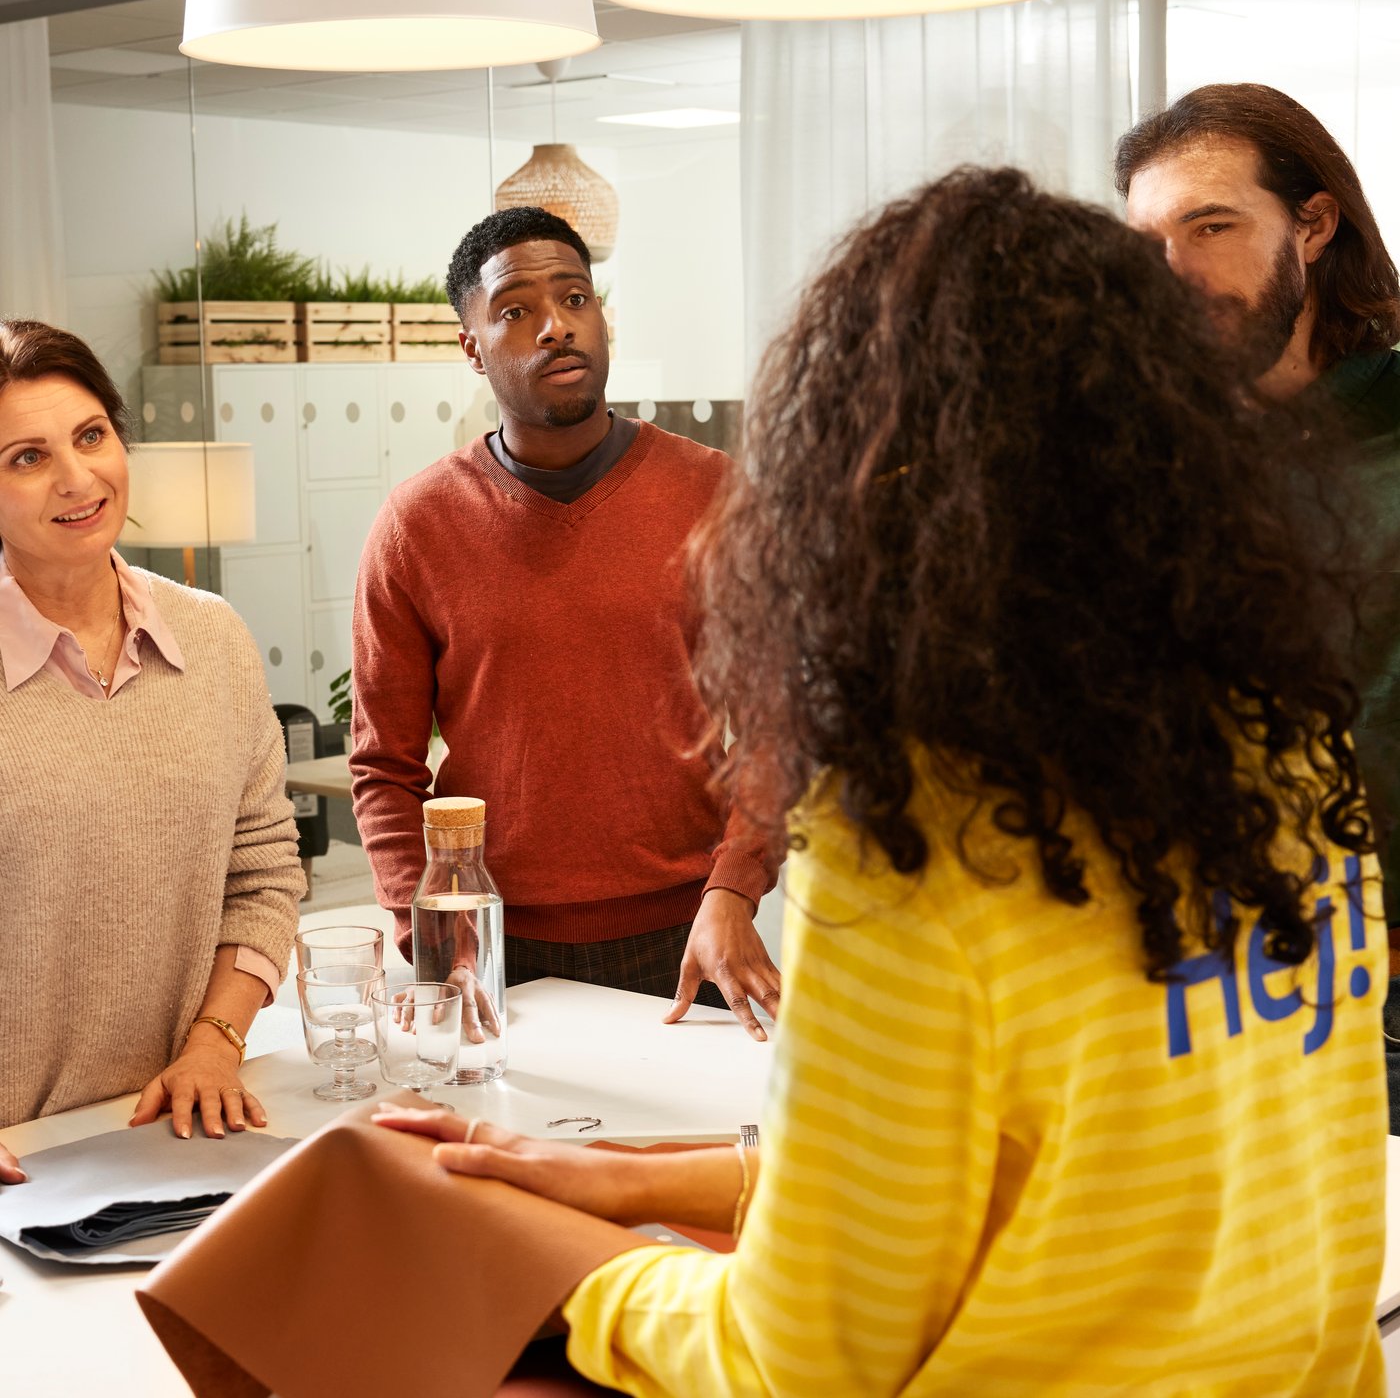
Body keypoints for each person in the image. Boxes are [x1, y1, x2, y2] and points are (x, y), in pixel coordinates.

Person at [377, 169, 1386, 1392]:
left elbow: (795, 1361)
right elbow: (1047, 1181)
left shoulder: (923, 837)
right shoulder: (1286, 754)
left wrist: (566, 1269)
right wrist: (631, 1177)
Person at [350, 206, 780, 1038]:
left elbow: (775, 728)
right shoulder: (417, 526)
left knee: (696, 1163)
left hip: (691, 935)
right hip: (492, 951)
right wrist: (428, 934)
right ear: (471, 345)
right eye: (516, 311)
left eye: (576, 298)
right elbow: (384, 770)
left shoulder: (714, 493)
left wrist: (734, 887)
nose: (557, 327)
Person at [1114, 81, 1400, 1128]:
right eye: (1146, 242)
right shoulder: (1162, 462)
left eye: (1211, 225)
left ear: (1312, 226)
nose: (1175, 271)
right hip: (1227, 984)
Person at [0, 320, 303, 1185]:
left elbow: (263, 869)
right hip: (18, 1162)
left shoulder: (213, 637)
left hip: (181, 1130)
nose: (77, 478)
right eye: (26, 457)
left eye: (91, 436)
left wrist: (218, 1040)